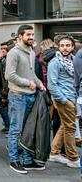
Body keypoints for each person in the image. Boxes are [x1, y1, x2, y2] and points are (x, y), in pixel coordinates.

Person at [5, 25, 46, 174]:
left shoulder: (30, 52)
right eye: (28, 34)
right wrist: (28, 83)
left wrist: (39, 84)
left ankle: (27, 161)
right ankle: (14, 160)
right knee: (16, 130)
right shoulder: (13, 53)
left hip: (30, 96)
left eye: (32, 34)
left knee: (28, 129)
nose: (31, 37)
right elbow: (9, 75)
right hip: (17, 96)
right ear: (20, 36)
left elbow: (31, 74)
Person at [48, 35, 80, 168]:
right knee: (70, 128)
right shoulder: (55, 62)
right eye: (62, 45)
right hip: (64, 99)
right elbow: (52, 85)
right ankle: (73, 158)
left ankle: (54, 153)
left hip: (72, 98)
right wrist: (64, 100)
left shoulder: (73, 60)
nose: (65, 48)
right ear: (58, 47)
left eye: (67, 45)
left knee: (64, 126)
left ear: (73, 47)